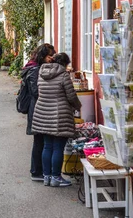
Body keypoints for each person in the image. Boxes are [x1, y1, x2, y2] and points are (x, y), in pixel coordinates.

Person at [32, 53, 82, 187]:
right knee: (58, 147)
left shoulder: (42, 73)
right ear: (64, 64)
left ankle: (47, 177)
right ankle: (56, 177)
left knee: (47, 145)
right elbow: (71, 96)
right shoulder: (64, 75)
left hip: (43, 113)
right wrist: (78, 106)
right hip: (59, 114)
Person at [23, 43, 56, 182]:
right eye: (50, 56)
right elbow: (36, 91)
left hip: (37, 108)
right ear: (42, 56)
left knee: (41, 140)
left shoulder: (34, 67)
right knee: (39, 140)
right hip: (36, 109)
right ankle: (37, 171)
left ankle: (39, 170)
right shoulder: (34, 70)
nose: (52, 59)